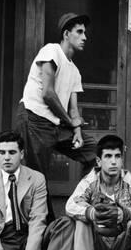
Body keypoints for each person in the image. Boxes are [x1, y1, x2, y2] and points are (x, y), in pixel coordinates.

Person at [16, 12, 97, 219]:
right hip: (35, 118)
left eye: (85, 32)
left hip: (57, 125)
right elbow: (48, 94)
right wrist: (70, 123)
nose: (84, 37)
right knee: (37, 180)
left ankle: (81, 201)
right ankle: (44, 229)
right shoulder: (51, 50)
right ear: (67, 34)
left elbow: (73, 110)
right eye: (79, 32)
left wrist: (77, 131)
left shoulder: (75, 71)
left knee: (95, 152)